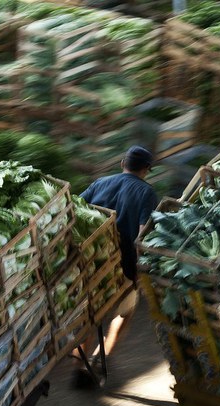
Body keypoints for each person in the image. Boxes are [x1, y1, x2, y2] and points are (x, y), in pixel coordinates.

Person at [73, 145, 159, 387]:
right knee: (126, 311)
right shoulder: (147, 193)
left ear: (123, 163)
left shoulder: (100, 182)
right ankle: (102, 356)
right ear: (146, 170)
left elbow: (75, 210)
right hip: (124, 266)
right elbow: (142, 235)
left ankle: (78, 362)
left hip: (90, 262)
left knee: (90, 315)